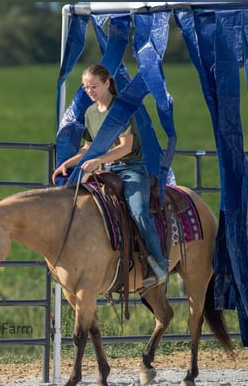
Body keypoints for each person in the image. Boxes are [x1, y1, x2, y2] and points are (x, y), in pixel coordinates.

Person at [51, 64, 169, 287]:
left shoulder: (122, 110)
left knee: (138, 210)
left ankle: (160, 263)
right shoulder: (90, 113)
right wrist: (68, 163)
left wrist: (98, 160)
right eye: (86, 87)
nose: (90, 91)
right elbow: (89, 147)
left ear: (107, 83)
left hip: (131, 169)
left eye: (94, 86)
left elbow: (125, 147)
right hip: (106, 171)